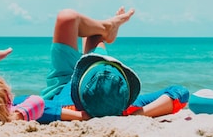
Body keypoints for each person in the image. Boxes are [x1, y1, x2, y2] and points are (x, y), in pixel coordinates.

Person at [36, 7, 190, 122]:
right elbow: (180, 92)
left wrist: (79, 116)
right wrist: (137, 114)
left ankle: (105, 28)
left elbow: (22, 105)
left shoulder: (64, 107)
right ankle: (105, 28)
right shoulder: (125, 106)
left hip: (62, 84)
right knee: (85, 30)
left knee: (67, 17)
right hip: (91, 80)